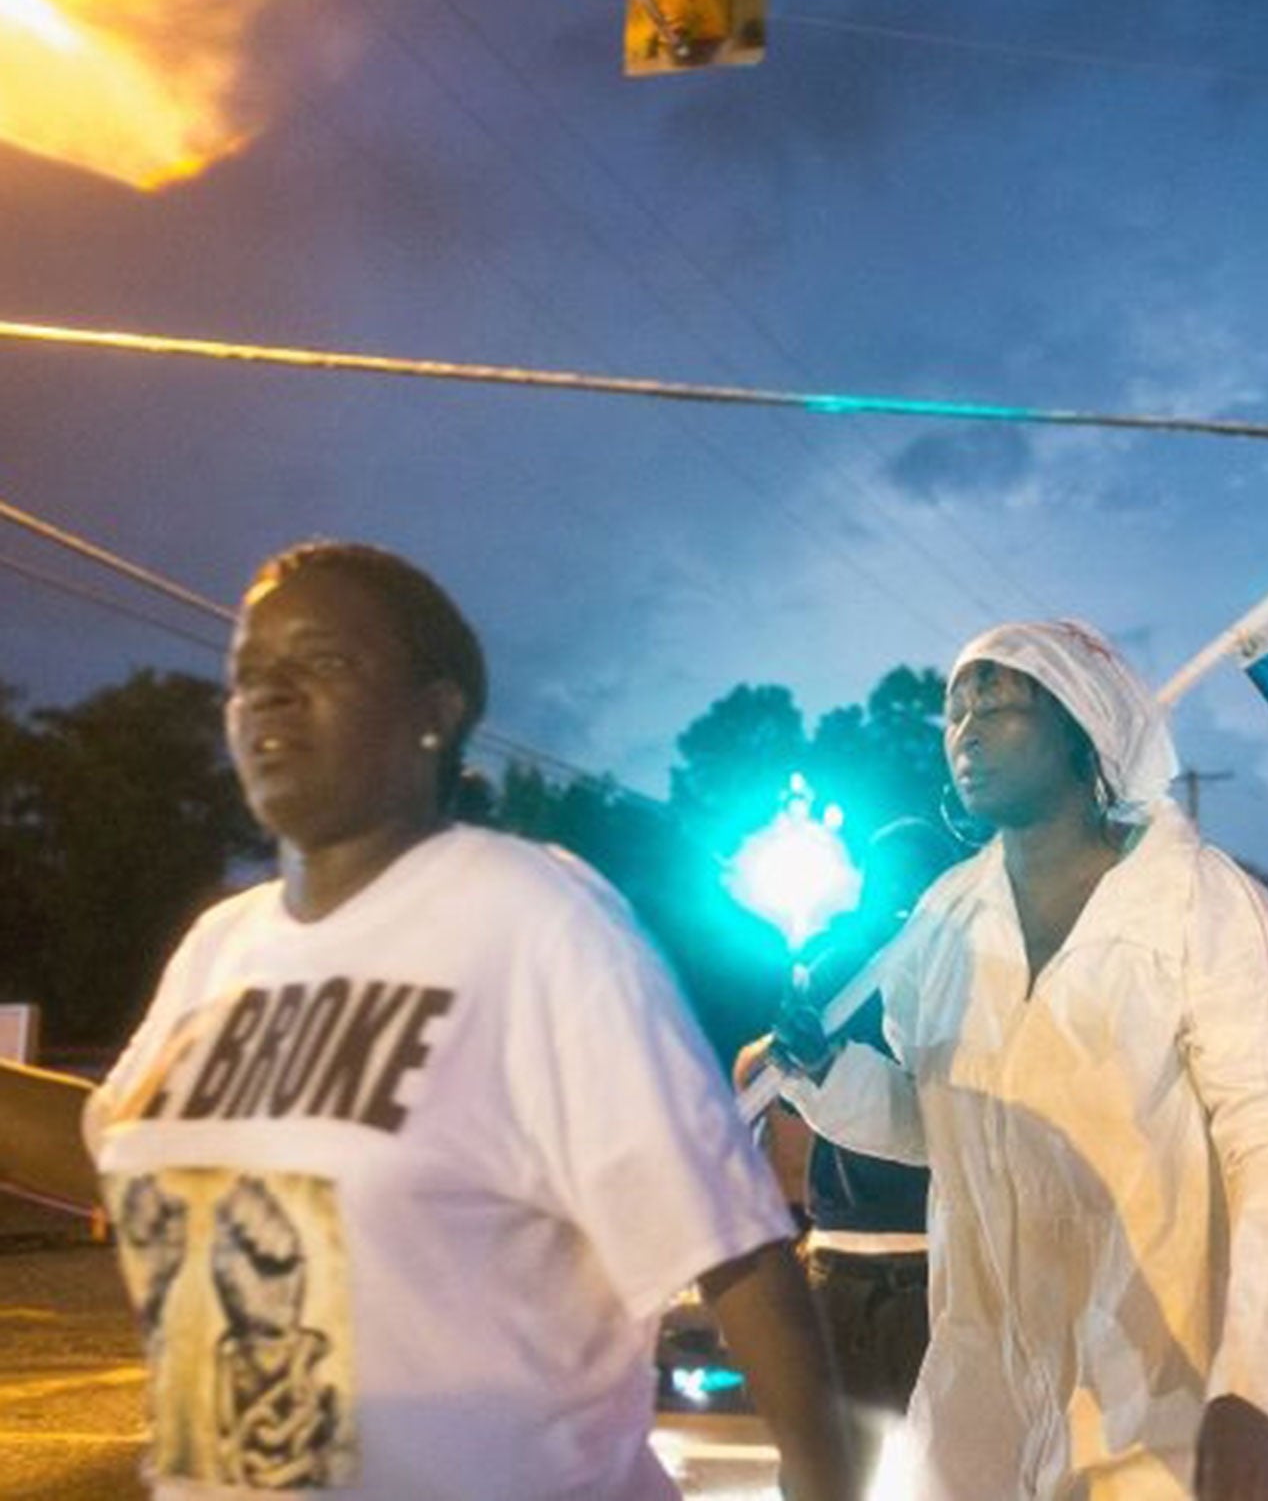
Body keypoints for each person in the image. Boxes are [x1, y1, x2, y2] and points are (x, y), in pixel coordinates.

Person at [82, 541, 855, 1501]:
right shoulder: (217, 948)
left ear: (436, 712)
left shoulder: (532, 919)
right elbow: (111, 1146)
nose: (269, 695)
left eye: (321, 662)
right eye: (249, 676)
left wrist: (822, 1481)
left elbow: (733, 1250)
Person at [774, 618, 1268, 1501]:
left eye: (999, 705)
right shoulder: (943, 926)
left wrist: (1254, 1390)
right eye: (957, 710)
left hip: (1167, 1400)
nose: (966, 729)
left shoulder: (1196, 906)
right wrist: (829, 1078)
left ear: (1086, 731)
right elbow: (947, 1127)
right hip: (984, 1405)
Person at [736, 817, 960, 1489]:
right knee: (827, 1471)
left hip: (939, 1263)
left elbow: (939, 1116)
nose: (896, 895)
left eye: (914, 878)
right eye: (885, 877)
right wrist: (795, 1054)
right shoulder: (838, 966)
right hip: (844, 1257)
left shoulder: (968, 966)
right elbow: (773, 1076)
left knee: (950, 1472)